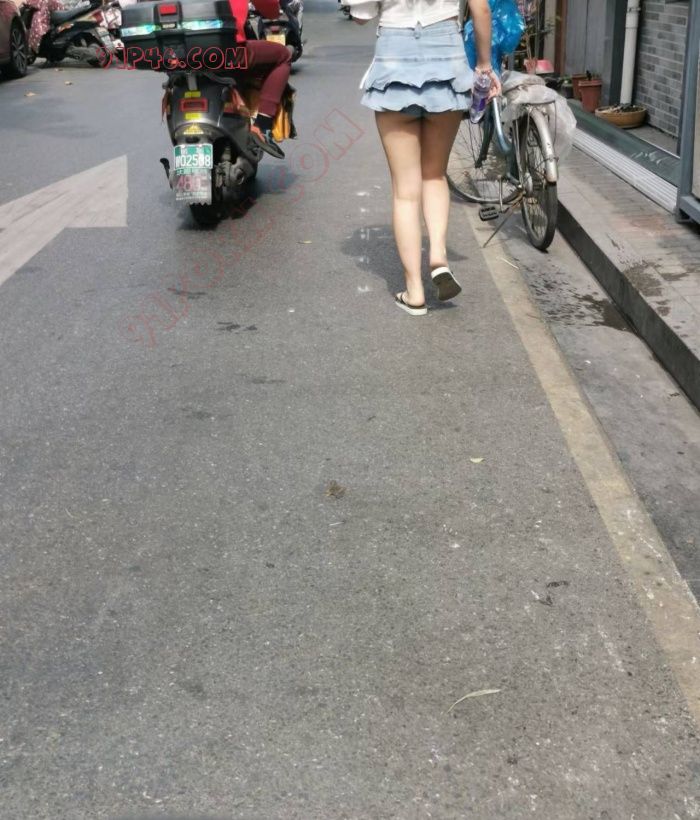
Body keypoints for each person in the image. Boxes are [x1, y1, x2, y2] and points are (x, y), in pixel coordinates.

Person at [349, 0, 501, 315]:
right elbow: (481, 10)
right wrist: (484, 66)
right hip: (447, 62)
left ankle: (414, 291)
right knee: (434, 174)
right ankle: (439, 257)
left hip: (393, 64)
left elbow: (361, 14)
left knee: (405, 192)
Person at [229, 0, 292, 159]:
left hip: (177, 56)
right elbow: (269, 8)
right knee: (283, 56)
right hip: (228, 52)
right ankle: (262, 126)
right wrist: (273, 11)